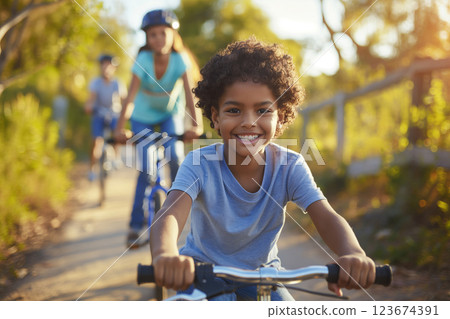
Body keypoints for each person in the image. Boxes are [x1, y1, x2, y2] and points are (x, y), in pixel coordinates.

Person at [149, 38, 376, 301]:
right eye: (234, 110)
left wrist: (353, 253)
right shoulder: (199, 163)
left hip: (265, 276)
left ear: (279, 118)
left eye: (262, 110)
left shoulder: (290, 166)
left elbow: (325, 215)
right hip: (203, 273)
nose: (248, 122)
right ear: (216, 116)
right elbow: (170, 213)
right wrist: (166, 255)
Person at [114, 9, 202, 247]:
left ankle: (178, 211)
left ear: (173, 35)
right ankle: (135, 226)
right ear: (146, 38)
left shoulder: (180, 60)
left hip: (169, 115)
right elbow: (130, 97)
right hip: (143, 116)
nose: (158, 39)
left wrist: (196, 125)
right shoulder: (142, 60)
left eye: (163, 33)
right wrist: (120, 128)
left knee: (175, 158)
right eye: (152, 35)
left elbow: (189, 94)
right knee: (147, 169)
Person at [85, 54, 125, 181]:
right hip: (99, 113)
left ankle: (116, 157)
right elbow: (91, 98)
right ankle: (92, 169)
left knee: (117, 134)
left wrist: (126, 112)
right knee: (96, 141)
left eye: (109, 65)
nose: (106, 68)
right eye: (104, 65)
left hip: (114, 113)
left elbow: (124, 100)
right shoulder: (96, 82)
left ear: (114, 68)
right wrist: (88, 106)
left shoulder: (117, 83)